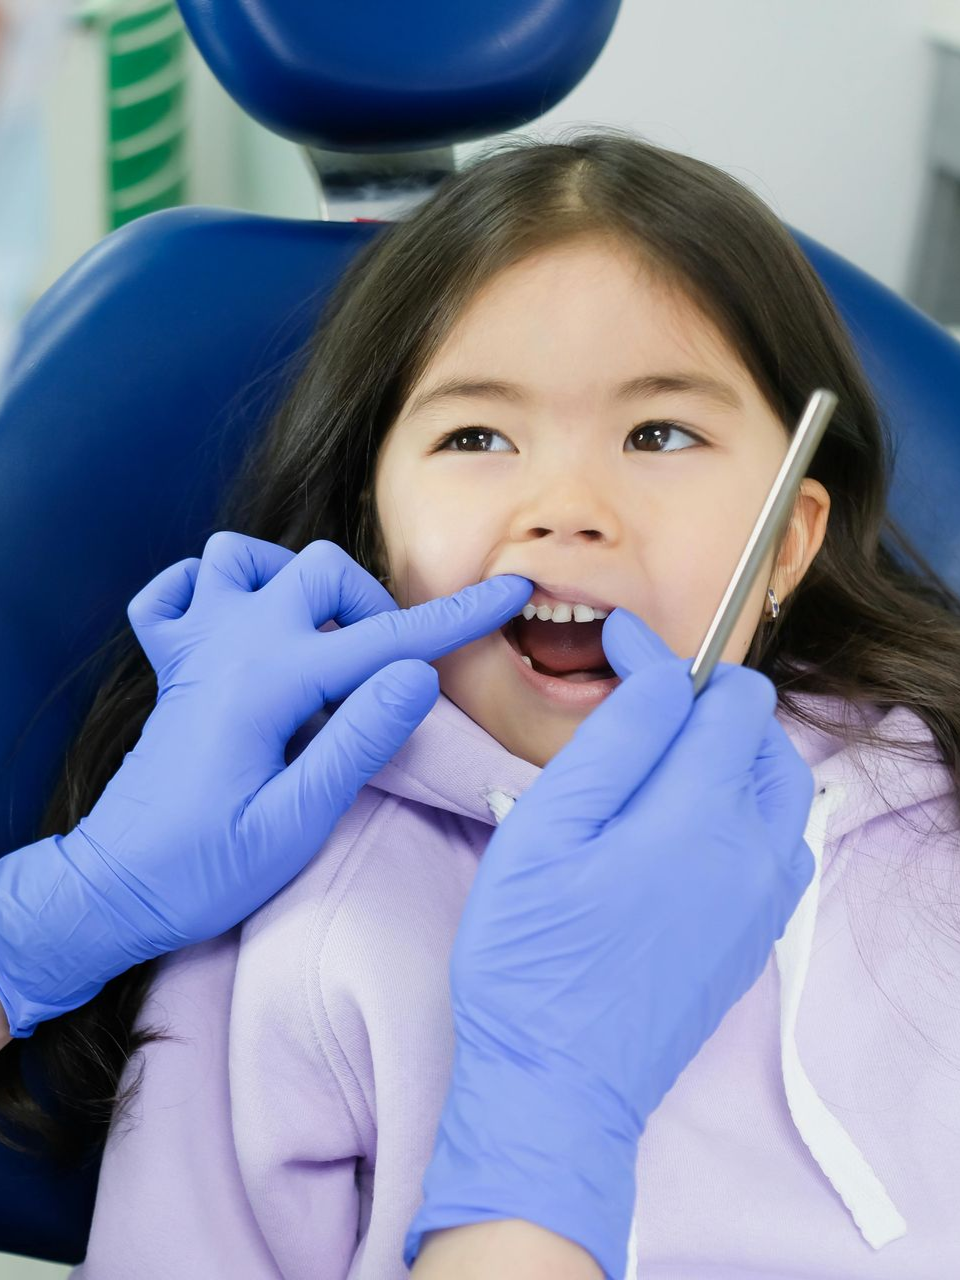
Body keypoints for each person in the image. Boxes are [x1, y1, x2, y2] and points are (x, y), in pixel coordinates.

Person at [6, 128, 960, 1277]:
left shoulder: (933, 800)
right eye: (476, 434)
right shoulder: (287, 931)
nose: (566, 506)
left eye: (660, 431)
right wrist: (70, 908)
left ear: (788, 544)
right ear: (376, 532)